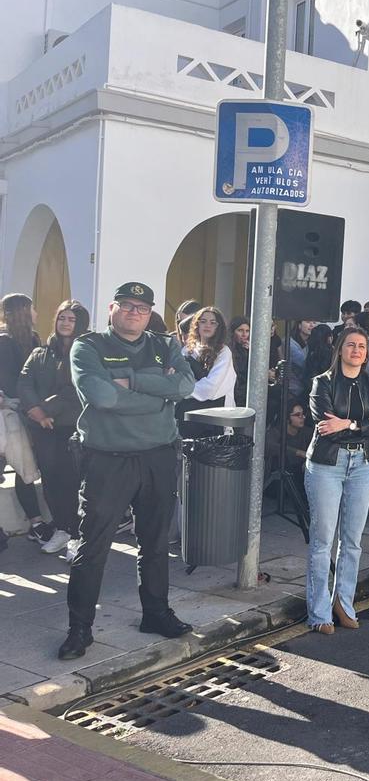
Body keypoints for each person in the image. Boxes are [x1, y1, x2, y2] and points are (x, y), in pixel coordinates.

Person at [59, 282, 197, 660]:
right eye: (127, 306)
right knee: (93, 547)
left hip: (157, 456)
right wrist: (158, 396)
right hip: (108, 460)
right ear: (111, 308)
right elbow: (101, 396)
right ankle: (80, 628)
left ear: (150, 312)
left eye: (142, 307)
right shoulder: (89, 346)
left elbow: (185, 384)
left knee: (154, 544)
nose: (135, 312)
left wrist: (132, 382)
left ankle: (156, 613)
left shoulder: (164, 344)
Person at [303, 326, 369, 633]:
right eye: (351, 345)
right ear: (339, 349)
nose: (356, 350)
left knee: (352, 541)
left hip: (363, 463)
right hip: (328, 464)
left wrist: (350, 423)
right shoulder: (321, 383)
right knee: (323, 541)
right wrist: (365, 422)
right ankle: (319, 612)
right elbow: (327, 426)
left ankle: (344, 603)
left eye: (362, 347)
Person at [18, 300, 89, 557]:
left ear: (79, 323)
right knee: (50, 479)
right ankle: (61, 528)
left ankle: (76, 535)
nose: (65, 323)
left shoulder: (85, 352)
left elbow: (76, 389)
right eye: (62, 318)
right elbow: (24, 382)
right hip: (43, 428)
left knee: (72, 482)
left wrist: (46, 410)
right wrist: (36, 412)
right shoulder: (41, 352)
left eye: (71, 319)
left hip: (71, 427)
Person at [0, 293, 44, 532]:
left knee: (25, 468)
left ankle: (36, 521)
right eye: (32, 307)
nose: (36, 312)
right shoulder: (4, 341)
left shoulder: (33, 339)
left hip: (27, 411)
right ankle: (36, 523)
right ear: (23, 311)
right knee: (18, 466)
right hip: (10, 413)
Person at [178, 307, 235, 437]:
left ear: (218, 327)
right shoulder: (187, 351)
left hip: (213, 417)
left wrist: (183, 390)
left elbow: (211, 388)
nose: (207, 325)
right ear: (196, 324)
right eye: (203, 321)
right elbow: (177, 379)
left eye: (212, 322)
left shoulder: (223, 352)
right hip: (188, 416)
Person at [286, 320, 317, 399]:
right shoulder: (289, 343)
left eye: (314, 322)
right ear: (299, 325)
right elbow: (305, 363)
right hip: (292, 390)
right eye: (308, 321)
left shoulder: (311, 342)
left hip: (305, 389)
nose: (312, 325)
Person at [229, 317, 250, 407]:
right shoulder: (228, 350)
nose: (244, 334)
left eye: (247, 331)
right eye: (240, 330)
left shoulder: (247, 348)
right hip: (235, 392)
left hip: (245, 392)